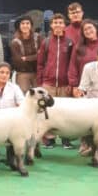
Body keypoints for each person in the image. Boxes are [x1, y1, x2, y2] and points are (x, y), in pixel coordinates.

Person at [37, 13, 73, 148]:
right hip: (48, 84)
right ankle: (49, 139)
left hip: (65, 84)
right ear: (51, 25)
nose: (58, 25)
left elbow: (72, 64)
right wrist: (41, 83)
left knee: (65, 113)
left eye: (60, 22)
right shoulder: (45, 42)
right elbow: (40, 64)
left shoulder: (70, 42)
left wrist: (71, 82)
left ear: (64, 25)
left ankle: (65, 138)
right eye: (55, 22)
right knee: (48, 112)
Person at [0, 62, 25, 166]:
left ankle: (11, 156)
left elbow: (22, 103)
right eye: (1, 72)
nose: (4, 75)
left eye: (7, 73)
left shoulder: (15, 87)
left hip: (10, 122)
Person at [68, 20, 98, 97]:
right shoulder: (78, 47)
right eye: (85, 30)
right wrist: (74, 86)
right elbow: (73, 67)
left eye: (90, 28)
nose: (88, 31)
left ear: (96, 28)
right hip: (83, 89)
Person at [9, 14, 42, 94]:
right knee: (23, 96)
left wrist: (26, 58)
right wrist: (35, 56)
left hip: (37, 72)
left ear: (31, 25)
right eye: (23, 24)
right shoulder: (15, 42)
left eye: (27, 23)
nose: (25, 26)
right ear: (19, 26)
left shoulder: (38, 38)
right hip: (22, 73)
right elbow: (19, 61)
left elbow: (42, 55)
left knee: (39, 96)